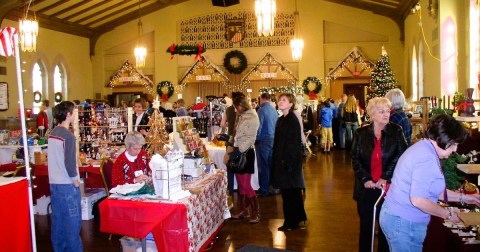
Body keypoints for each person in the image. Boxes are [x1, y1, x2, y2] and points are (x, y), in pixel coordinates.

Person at [380, 114, 480, 251]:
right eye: (454, 144)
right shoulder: (426, 158)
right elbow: (418, 200)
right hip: (404, 221)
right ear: (443, 139)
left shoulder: (425, 148)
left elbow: (433, 190)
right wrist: (448, 214)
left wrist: (466, 198)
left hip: (400, 217)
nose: (455, 149)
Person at [351, 97, 408, 252]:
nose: (386, 114)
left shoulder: (396, 131)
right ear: (372, 114)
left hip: (388, 189)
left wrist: (385, 177)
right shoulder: (361, 133)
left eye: (387, 111)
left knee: (385, 228)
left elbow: (402, 156)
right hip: (366, 188)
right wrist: (365, 179)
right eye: (381, 111)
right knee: (366, 226)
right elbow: (355, 159)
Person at [47, 101, 82, 252]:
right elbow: (69, 161)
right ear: (68, 114)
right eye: (74, 111)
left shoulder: (52, 133)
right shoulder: (68, 136)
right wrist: (75, 179)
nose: (75, 114)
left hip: (54, 183)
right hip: (67, 184)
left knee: (58, 222)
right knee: (73, 224)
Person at [271, 93, 307, 231]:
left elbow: (293, 143)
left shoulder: (292, 120)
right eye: (280, 100)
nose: (280, 102)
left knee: (291, 193)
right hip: (283, 161)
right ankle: (294, 219)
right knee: (288, 194)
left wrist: (288, 163)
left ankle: (291, 222)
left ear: (291, 104)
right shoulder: (281, 119)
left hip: (289, 163)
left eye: (284, 100)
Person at [228, 95, 260, 223]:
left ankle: (256, 212)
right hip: (239, 152)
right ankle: (244, 210)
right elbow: (237, 135)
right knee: (241, 185)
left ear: (241, 105)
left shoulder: (252, 117)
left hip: (246, 153)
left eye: (236, 107)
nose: (235, 110)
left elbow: (251, 138)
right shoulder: (242, 116)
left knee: (246, 185)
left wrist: (239, 150)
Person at [221, 92, 245, 195]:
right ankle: (241, 189)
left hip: (230, 140)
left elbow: (222, 124)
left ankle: (230, 189)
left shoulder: (228, 109)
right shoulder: (243, 110)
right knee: (240, 164)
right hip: (240, 140)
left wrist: (228, 123)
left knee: (229, 165)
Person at [255, 93, 278, 196]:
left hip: (263, 140)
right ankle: (272, 187)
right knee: (271, 164)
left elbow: (258, 127)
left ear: (261, 99)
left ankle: (264, 190)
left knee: (263, 166)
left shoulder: (261, 110)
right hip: (273, 139)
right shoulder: (274, 110)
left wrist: (255, 139)